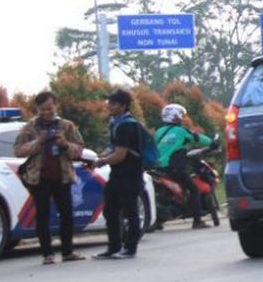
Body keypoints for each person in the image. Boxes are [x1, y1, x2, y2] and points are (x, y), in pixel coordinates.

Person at [13, 91, 86, 264]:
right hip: (39, 177)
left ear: (56, 106)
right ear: (37, 108)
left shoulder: (67, 126)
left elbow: (79, 150)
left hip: (63, 176)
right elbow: (18, 150)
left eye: (50, 108)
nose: (47, 112)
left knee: (67, 214)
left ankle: (68, 252)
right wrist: (38, 142)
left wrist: (64, 144)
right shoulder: (29, 128)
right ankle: (47, 254)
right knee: (43, 215)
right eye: (43, 109)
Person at [92, 89, 145, 259]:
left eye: (113, 104)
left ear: (123, 106)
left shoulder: (126, 125)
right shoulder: (116, 123)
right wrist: (103, 157)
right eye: (109, 103)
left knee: (130, 212)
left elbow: (120, 155)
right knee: (110, 210)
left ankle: (130, 248)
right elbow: (113, 149)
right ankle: (113, 246)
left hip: (130, 173)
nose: (109, 106)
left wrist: (102, 161)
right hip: (118, 174)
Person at [155, 103, 214, 228]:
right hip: (174, 168)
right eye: (180, 115)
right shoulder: (182, 131)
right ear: (175, 116)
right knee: (194, 189)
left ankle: (158, 221)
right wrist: (212, 143)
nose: (182, 118)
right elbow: (199, 138)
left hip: (157, 168)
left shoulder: (159, 132)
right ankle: (197, 221)